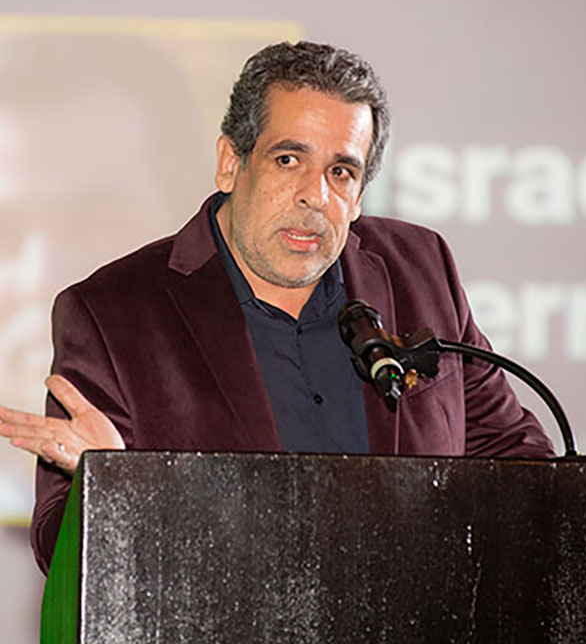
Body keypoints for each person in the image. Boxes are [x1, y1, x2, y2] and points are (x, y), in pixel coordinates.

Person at [0, 40, 554, 575]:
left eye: (342, 171)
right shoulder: (112, 313)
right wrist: (116, 483)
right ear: (229, 163)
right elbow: (57, 549)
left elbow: (513, 456)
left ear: (360, 194)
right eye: (288, 159)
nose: (315, 195)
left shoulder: (420, 268)